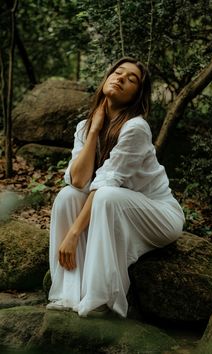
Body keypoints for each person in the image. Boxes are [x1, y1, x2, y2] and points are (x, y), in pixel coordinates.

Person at [46, 57, 185, 318]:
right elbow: (78, 181)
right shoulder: (84, 127)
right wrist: (95, 129)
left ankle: (102, 299)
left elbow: (106, 184)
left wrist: (74, 234)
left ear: (136, 95)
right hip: (115, 202)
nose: (121, 78)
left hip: (159, 214)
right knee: (67, 196)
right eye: (118, 73)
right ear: (106, 78)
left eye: (131, 79)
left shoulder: (136, 128)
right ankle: (68, 294)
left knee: (106, 196)